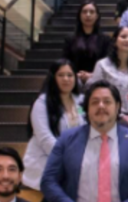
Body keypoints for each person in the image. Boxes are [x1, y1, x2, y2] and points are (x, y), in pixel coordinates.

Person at [23, 60, 85, 190]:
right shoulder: (42, 103)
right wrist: (69, 158)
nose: (66, 79)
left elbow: (86, 128)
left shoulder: (80, 101)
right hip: (46, 161)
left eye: (70, 75)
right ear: (53, 78)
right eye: (61, 75)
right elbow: (45, 138)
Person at [87, 27, 128, 136]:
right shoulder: (102, 65)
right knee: (123, 127)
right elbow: (96, 93)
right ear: (115, 41)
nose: (127, 40)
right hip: (108, 113)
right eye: (123, 36)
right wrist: (120, 115)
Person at [62, 0, 111, 85]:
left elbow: (107, 64)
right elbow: (65, 61)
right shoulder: (69, 39)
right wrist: (75, 74)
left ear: (97, 16)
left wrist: (92, 75)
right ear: (79, 15)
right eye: (84, 12)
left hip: (98, 80)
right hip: (74, 79)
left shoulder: (105, 39)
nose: (88, 15)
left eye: (91, 12)